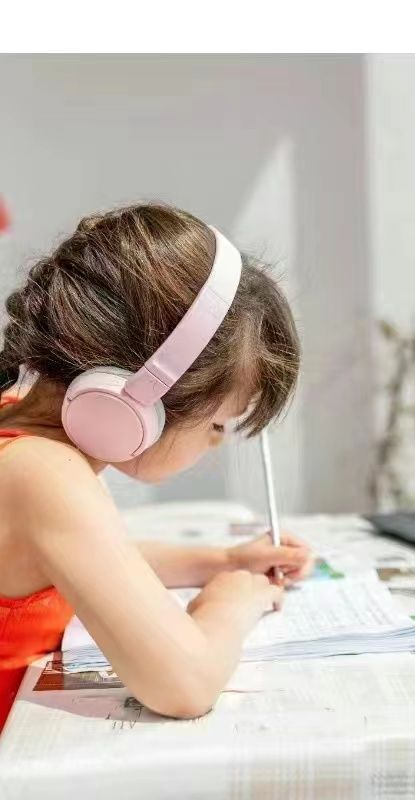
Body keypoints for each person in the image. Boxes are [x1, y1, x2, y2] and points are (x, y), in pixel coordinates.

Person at [0, 204, 313, 731]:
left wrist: (221, 560)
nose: (215, 444)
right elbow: (185, 686)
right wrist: (228, 604)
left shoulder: (16, 422)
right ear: (136, 400)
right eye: (218, 425)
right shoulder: (42, 473)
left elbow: (90, 557)